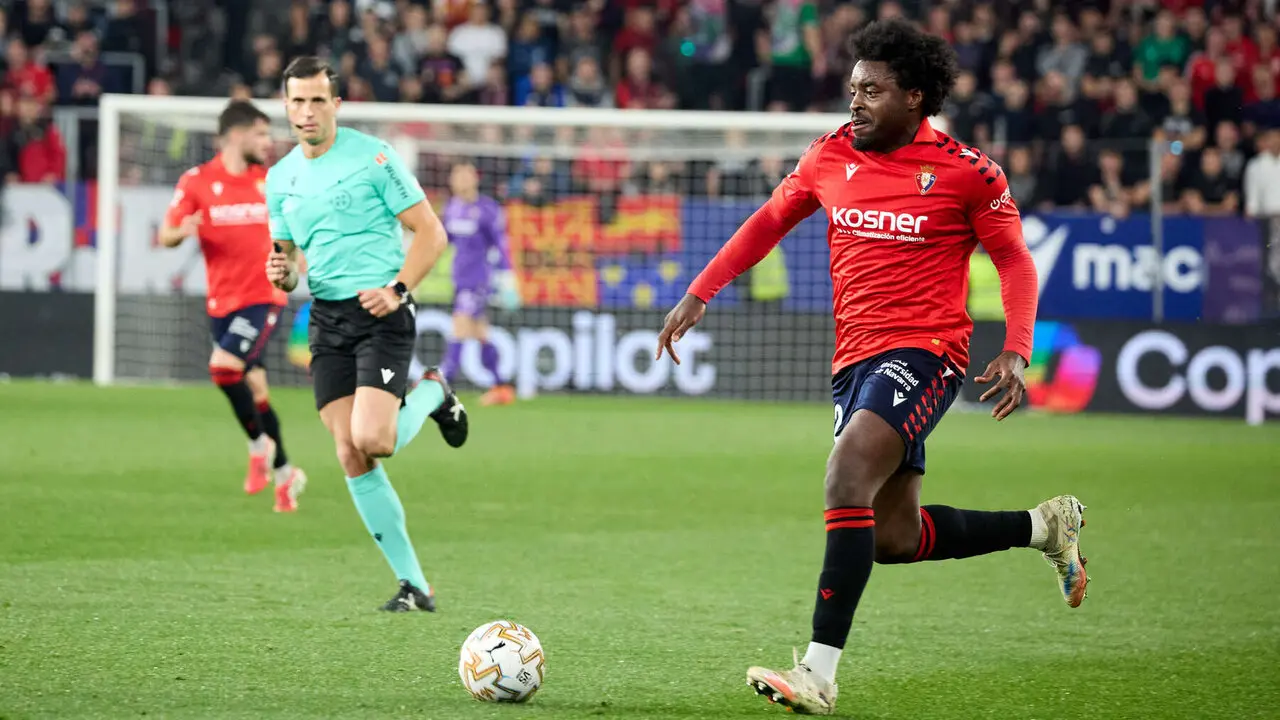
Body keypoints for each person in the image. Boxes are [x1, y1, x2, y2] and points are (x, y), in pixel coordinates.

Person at [656, 19, 1087, 716]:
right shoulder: (829, 155)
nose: (854, 102)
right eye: (852, 88)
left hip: (928, 354)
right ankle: (1044, 527)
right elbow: (768, 221)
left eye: (872, 91)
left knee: (844, 474)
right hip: (854, 359)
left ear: (915, 97)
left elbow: (1013, 258)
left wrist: (1016, 345)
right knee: (891, 538)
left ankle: (819, 674)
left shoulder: (968, 174)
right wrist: (699, 291)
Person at [264, 56, 468, 612]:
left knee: (375, 440)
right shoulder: (279, 178)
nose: (306, 111)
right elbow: (287, 259)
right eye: (297, 101)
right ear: (286, 106)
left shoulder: (373, 157)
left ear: (337, 105)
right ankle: (415, 586)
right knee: (350, 453)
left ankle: (433, 392)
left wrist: (399, 288)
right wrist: (283, 273)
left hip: (382, 312)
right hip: (327, 320)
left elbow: (430, 232)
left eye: (316, 100)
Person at [160, 100, 306, 513]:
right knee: (255, 389)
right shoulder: (197, 181)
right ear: (237, 135)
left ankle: (258, 447)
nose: (268, 141)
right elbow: (166, 233)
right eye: (261, 134)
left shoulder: (272, 182)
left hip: (264, 297)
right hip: (221, 302)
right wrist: (181, 231)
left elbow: (296, 229)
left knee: (223, 368)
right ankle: (285, 474)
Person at [438, 160, 519, 406]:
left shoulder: (488, 209)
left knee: (459, 326)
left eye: (465, 175)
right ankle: (501, 386)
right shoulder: (451, 208)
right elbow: (444, 239)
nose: (460, 180)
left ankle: (443, 385)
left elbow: (501, 244)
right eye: (456, 175)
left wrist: (507, 277)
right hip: (460, 279)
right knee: (479, 333)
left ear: (475, 178)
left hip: (480, 280)